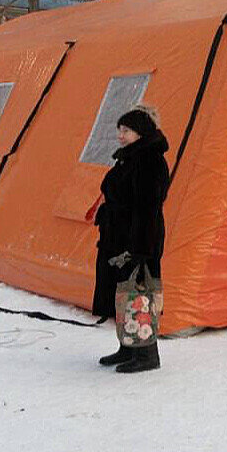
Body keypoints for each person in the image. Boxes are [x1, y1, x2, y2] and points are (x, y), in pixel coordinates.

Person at [93, 105, 171, 374]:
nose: (120, 135)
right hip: (120, 235)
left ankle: (147, 354)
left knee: (139, 291)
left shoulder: (149, 161)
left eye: (126, 130)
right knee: (122, 292)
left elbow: (148, 207)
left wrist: (141, 249)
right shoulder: (130, 158)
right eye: (119, 130)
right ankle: (128, 346)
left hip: (139, 237)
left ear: (141, 132)